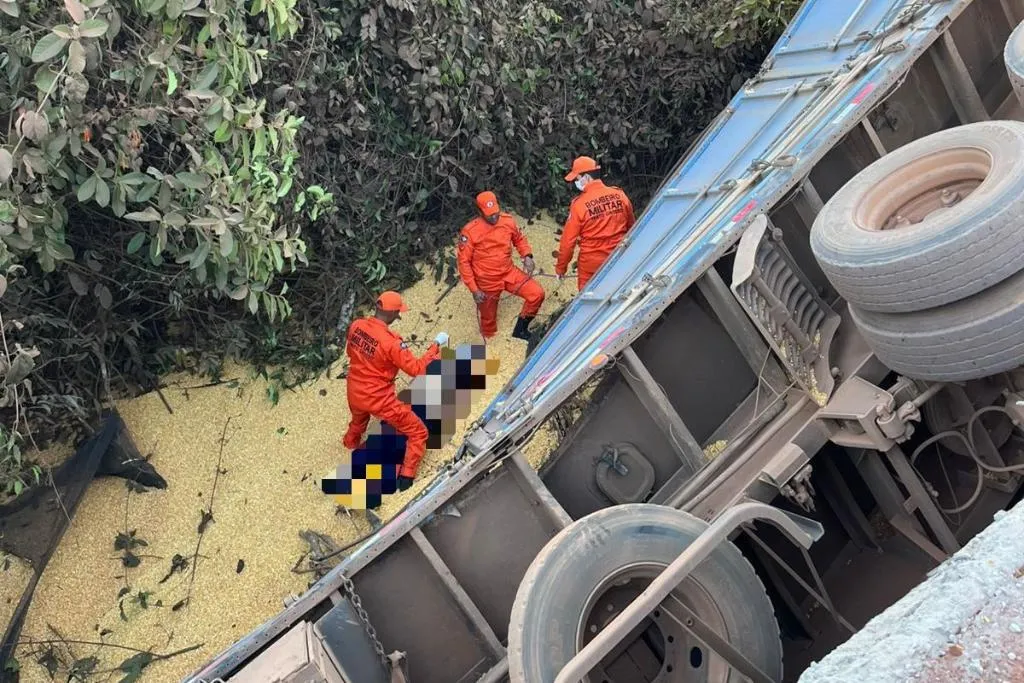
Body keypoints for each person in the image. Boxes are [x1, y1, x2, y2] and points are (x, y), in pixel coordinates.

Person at [342, 291, 449, 490]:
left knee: (358, 420)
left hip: (354, 388)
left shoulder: (357, 326)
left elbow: (351, 353)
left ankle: (350, 443)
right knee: (418, 433)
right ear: (392, 314)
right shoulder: (392, 342)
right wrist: (435, 347)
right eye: (398, 313)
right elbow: (416, 369)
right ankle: (406, 478)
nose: (399, 316)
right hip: (378, 397)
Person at [457, 190, 546, 341]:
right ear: (479, 212)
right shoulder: (470, 231)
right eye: (489, 214)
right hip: (486, 281)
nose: (494, 216)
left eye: (495, 212)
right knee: (488, 321)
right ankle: (490, 338)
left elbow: (519, 239)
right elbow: (463, 262)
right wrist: (474, 289)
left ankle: (521, 329)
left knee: (537, 294)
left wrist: (527, 256)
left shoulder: (507, 221)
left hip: (509, 272)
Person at [555, 155, 636, 290]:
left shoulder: (579, 205)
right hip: (618, 257)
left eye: (577, 178)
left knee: (587, 303)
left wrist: (561, 268)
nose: (576, 182)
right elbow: (632, 228)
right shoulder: (620, 195)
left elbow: (568, 243)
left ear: (586, 177)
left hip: (591, 265)